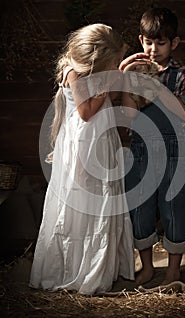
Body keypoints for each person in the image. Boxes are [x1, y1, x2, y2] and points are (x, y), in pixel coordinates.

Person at [29, 23, 135, 295]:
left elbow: (107, 99)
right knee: (84, 200)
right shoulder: (74, 74)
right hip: (84, 143)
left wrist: (118, 76)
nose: (114, 68)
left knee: (103, 197)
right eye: (112, 64)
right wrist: (109, 85)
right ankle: (77, 269)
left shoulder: (96, 73)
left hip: (101, 140)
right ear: (97, 62)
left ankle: (101, 265)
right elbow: (86, 112)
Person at [119, 7, 185, 286]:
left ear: (174, 43)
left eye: (161, 43)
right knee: (140, 209)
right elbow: (129, 119)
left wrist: (157, 90)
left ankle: (174, 269)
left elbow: (184, 114)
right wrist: (130, 85)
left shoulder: (182, 74)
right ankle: (148, 266)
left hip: (176, 153)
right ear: (141, 40)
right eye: (149, 42)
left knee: (175, 208)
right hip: (142, 152)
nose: (154, 49)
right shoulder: (135, 74)